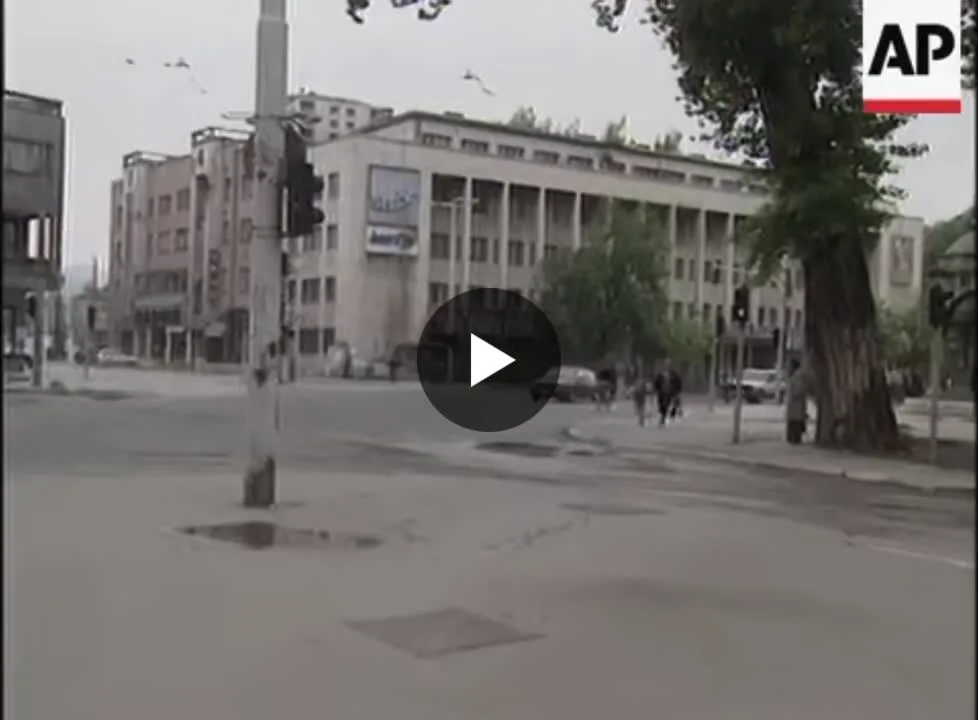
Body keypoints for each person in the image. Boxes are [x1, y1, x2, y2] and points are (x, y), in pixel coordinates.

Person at [785, 358, 810, 445]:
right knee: (794, 424)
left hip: (796, 407)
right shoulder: (794, 377)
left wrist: (794, 395)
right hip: (794, 408)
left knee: (795, 426)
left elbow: (799, 391)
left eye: (789, 366)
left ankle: (795, 440)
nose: (787, 369)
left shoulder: (797, 377)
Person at [653, 359, 679, 426]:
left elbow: (678, 382)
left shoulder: (673, 374)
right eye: (666, 364)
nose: (667, 366)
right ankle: (663, 415)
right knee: (661, 405)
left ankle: (663, 417)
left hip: (670, 392)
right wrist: (656, 389)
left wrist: (677, 391)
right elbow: (657, 382)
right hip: (661, 392)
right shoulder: (661, 374)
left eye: (669, 364)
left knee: (667, 405)